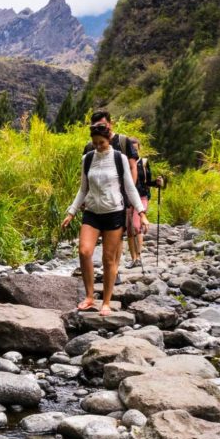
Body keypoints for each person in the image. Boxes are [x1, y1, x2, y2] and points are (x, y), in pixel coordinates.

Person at [61, 123, 150, 316]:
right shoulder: (88, 159)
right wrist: (71, 212)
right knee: (84, 252)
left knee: (109, 260)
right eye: (94, 143)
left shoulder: (120, 158)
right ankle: (89, 296)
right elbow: (83, 189)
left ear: (109, 139)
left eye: (101, 143)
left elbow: (129, 188)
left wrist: (141, 213)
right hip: (92, 212)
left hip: (113, 212)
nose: (98, 146)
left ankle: (107, 302)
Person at [82, 111, 138, 284]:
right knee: (90, 241)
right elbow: (87, 175)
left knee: (117, 236)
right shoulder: (91, 147)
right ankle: (108, 269)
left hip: (120, 198)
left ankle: (114, 268)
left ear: (110, 124)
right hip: (96, 199)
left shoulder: (123, 142)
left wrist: (129, 196)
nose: (99, 128)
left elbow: (132, 167)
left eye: (102, 125)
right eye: (96, 125)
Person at [126, 156, 165, 267]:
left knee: (136, 225)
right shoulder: (123, 161)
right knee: (129, 229)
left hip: (142, 196)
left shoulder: (144, 162)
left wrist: (157, 183)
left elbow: (147, 182)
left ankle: (138, 257)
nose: (133, 151)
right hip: (128, 198)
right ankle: (133, 259)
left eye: (135, 148)